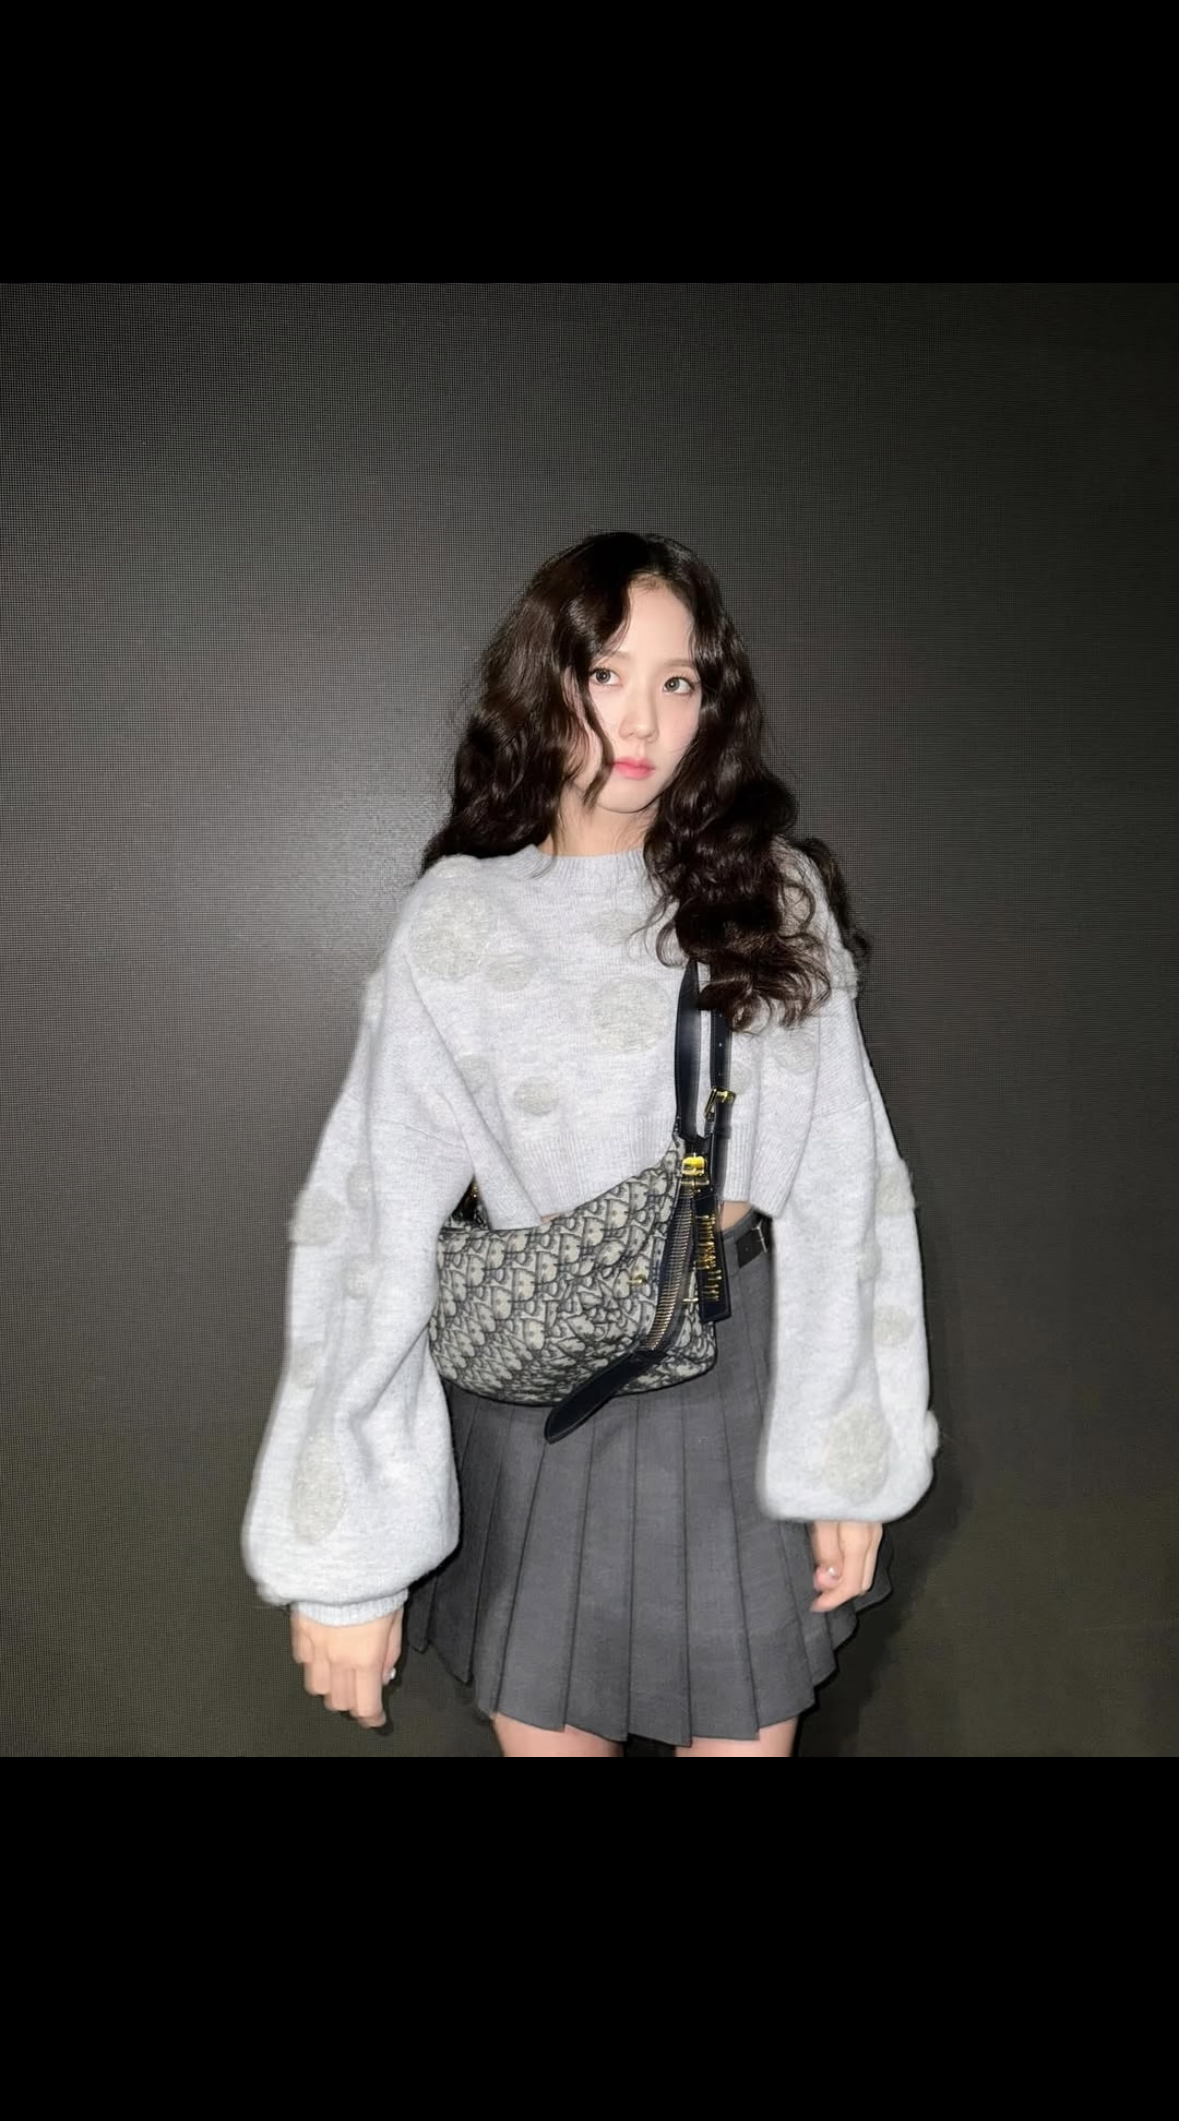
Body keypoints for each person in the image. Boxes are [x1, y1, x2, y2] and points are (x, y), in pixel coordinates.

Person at [242, 531, 938, 1756]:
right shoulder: (460, 918)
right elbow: (372, 1222)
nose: (644, 719)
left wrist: (847, 1455)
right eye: (607, 673)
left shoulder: (767, 897)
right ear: (544, 682)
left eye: (679, 681)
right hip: (541, 1406)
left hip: (740, 1390)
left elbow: (847, 1186)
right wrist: (347, 1557)